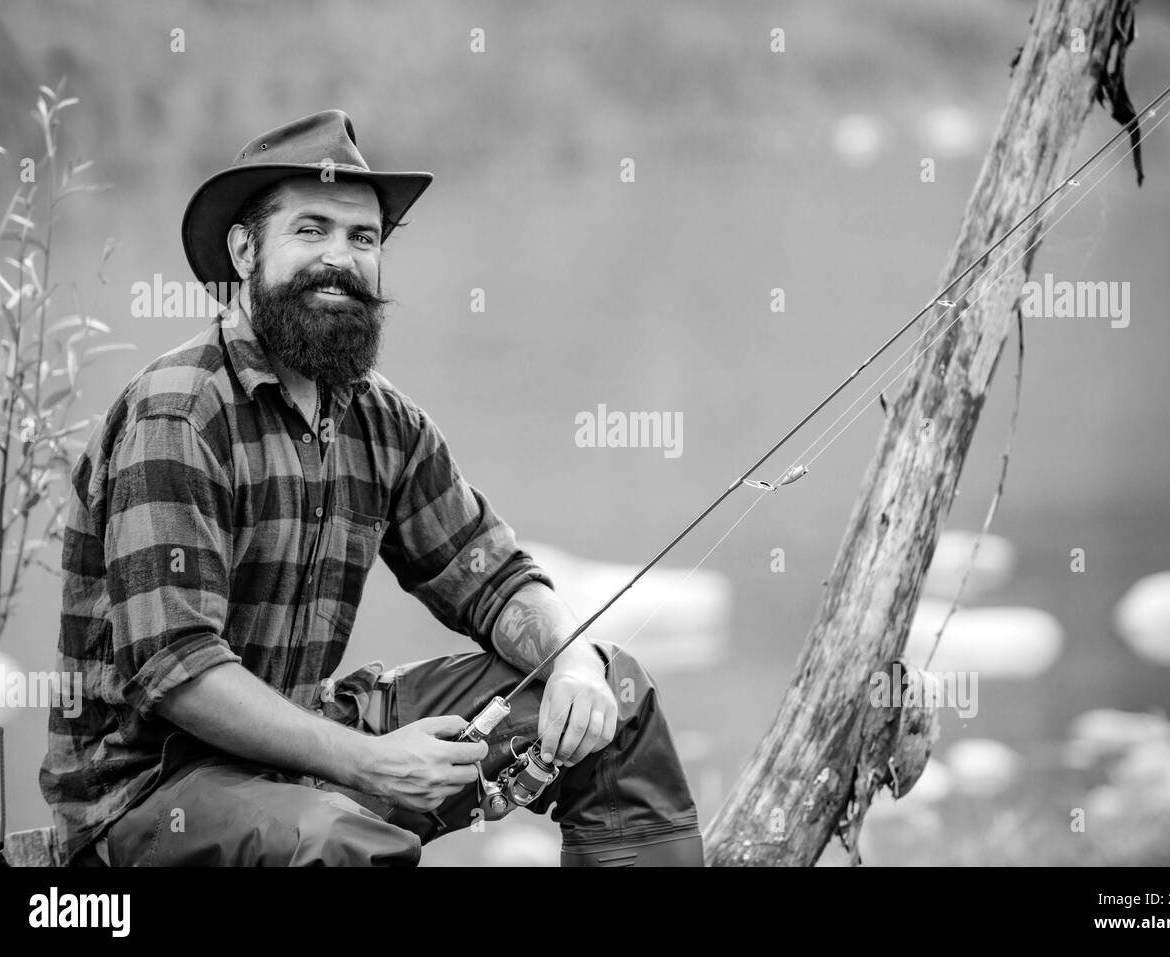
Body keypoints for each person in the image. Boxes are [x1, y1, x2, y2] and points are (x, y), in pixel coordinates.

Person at [39, 110, 703, 867]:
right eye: (311, 230)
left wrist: (575, 661)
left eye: (363, 238)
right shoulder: (180, 411)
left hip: (305, 751)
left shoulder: (382, 419)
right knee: (345, 842)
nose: (341, 259)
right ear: (245, 247)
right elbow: (177, 672)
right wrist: (368, 760)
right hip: (148, 802)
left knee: (613, 698)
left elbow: (496, 580)